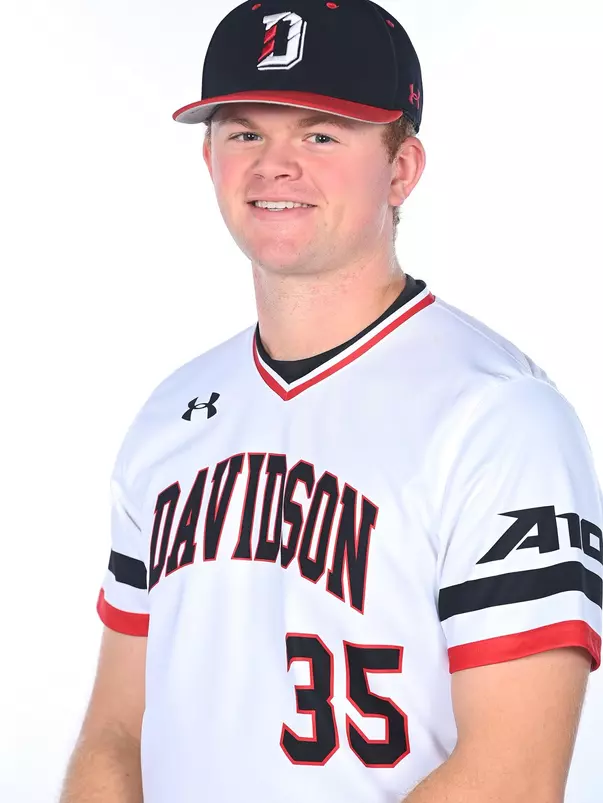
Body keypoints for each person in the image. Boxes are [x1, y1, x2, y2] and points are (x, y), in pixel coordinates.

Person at [60, 1, 603, 802]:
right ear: (208, 159)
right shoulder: (170, 416)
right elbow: (114, 735)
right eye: (245, 131)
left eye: (320, 133)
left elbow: (511, 777)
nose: (275, 164)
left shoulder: (499, 418)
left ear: (401, 168)